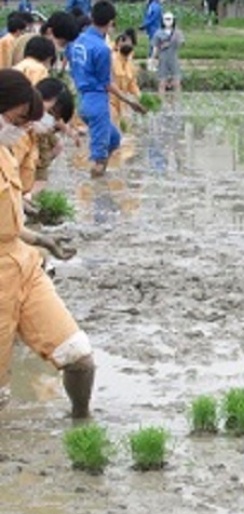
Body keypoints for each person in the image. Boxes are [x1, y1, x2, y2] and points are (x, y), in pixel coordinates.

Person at [0, 68, 93, 419]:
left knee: (79, 357)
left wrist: (44, 240)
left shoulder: (5, 152)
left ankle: (81, 422)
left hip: (23, 266)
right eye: (17, 120)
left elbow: (9, 226)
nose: (21, 129)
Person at [70, 2, 143, 178]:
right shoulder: (102, 49)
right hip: (97, 103)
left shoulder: (78, 41)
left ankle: (101, 182)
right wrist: (130, 101)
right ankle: (95, 188)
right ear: (111, 22)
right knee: (99, 157)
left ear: (91, 17)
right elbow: (107, 84)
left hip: (82, 100)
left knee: (114, 139)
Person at [109, 27, 139, 128]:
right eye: (124, 42)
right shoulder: (111, 60)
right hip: (109, 102)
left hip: (123, 103)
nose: (127, 44)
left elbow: (132, 85)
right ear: (118, 45)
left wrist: (140, 97)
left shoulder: (130, 65)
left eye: (129, 43)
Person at [150, 10, 183, 94]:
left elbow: (181, 44)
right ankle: (161, 99)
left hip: (174, 59)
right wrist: (153, 59)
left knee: (176, 82)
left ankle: (177, 100)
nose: (168, 21)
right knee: (162, 82)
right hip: (162, 60)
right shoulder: (158, 33)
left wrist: (174, 41)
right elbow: (155, 47)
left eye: (169, 19)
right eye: (166, 19)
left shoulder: (177, 32)